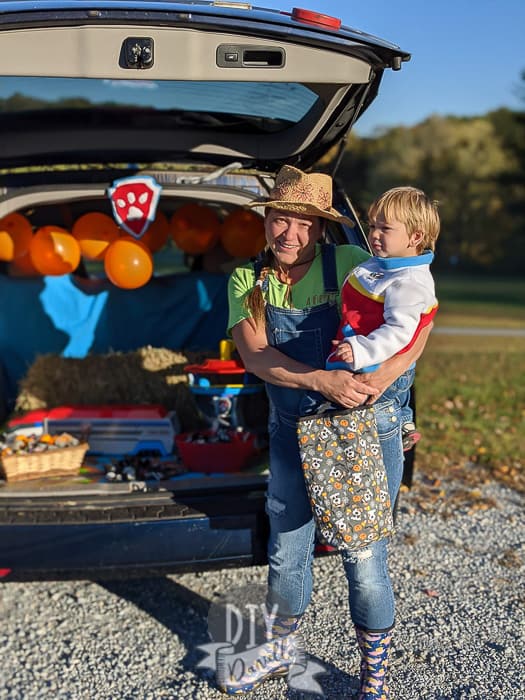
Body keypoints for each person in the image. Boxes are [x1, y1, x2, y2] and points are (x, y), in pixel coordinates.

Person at [223, 165, 431, 698]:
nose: (289, 234)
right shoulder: (248, 280)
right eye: (279, 219)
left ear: (320, 229)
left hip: (361, 430)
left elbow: (419, 319)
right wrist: (322, 379)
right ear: (266, 220)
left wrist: (382, 381)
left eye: (303, 223)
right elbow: (257, 355)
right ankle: (277, 653)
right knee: (286, 551)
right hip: (293, 428)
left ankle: (375, 673)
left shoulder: (356, 265)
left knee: (363, 558)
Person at [326, 186, 440, 451]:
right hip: (370, 360)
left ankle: (397, 429)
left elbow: (399, 332)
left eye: (385, 229)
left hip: (378, 366)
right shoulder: (385, 266)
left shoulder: (409, 282)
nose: (374, 235)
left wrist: (359, 349)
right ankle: (402, 421)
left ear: (415, 237)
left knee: (375, 438)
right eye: (372, 226)